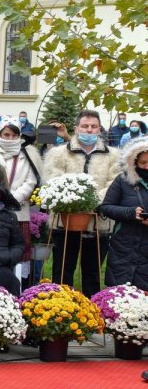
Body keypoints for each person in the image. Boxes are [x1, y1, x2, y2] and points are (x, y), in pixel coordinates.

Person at [43, 110, 121, 295]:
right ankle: (61, 307)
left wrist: (93, 202)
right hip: (65, 220)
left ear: (99, 129)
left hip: (99, 222)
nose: (89, 130)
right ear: (76, 128)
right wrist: (73, 203)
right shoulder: (59, 153)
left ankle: (91, 309)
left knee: (92, 272)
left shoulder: (113, 155)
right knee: (63, 269)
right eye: (85, 126)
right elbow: (52, 179)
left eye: (93, 126)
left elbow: (114, 183)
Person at [0, 117, 42, 284]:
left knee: (19, 251)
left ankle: (20, 285)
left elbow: (31, 180)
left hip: (19, 210)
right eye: (6, 134)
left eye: (14, 135)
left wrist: (14, 198)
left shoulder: (28, 153)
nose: (10, 139)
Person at [97, 137, 148, 290]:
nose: (147, 167)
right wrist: (130, 213)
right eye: (143, 163)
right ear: (134, 162)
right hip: (124, 243)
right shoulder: (123, 180)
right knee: (119, 292)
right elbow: (106, 207)